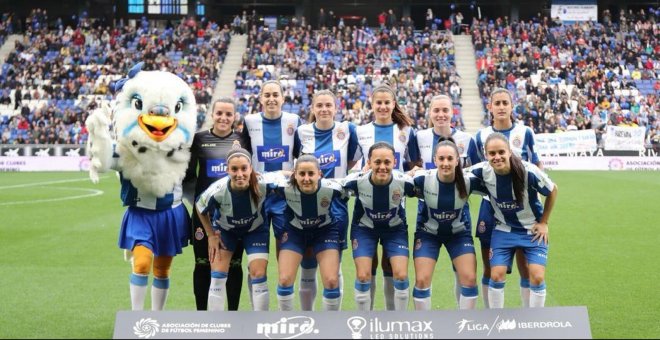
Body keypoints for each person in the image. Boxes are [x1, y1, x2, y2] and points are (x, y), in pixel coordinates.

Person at [469, 132, 558, 308]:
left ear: (509, 152)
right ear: (486, 155)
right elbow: (455, 174)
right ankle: (496, 320)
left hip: (532, 230)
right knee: (496, 274)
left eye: (501, 152)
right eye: (492, 154)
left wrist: (544, 223)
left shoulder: (528, 171)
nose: (497, 157)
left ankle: (533, 321)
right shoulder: (482, 171)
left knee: (537, 276)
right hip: (503, 229)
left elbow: (553, 190)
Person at [292, 90, 361, 310]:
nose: (324, 109)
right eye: (319, 105)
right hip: (306, 206)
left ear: (335, 107)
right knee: (308, 263)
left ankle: (332, 321)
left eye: (328, 105)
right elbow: (296, 165)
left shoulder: (347, 130)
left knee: (334, 266)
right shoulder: (302, 132)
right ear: (312, 108)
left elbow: (351, 162)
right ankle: (307, 318)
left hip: (337, 206)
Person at [474, 88, 542, 308]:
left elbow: (537, 165)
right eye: (497, 103)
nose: (501, 107)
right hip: (490, 208)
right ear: (490, 107)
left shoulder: (526, 132)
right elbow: (475, 171)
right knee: (491, 268)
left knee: (525, 264)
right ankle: (490, 317)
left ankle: (526, 318)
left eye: (505, 103)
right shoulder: (481, 136)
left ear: (512, 106)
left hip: (522, 210)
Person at [356, 84, 419, 310]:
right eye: (378, 102)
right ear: (372, 105)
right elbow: (353, 166)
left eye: (387, 102)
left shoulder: (406, 131)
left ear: (393, 104)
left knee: (392, 267)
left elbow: (415, 163)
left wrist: (413, 172)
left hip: (395, 209)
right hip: (365, 209)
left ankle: (393, 321)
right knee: (367, 268)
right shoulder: (360, 131)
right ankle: (367, 320)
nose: (383, 106)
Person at [412, 95, 480, 306]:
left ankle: (464, 326)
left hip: (459, 222)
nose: (441, 115)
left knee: (466, 276)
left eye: (445, 110)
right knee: (422, 279)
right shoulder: (419, 137)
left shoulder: (467, 140)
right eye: (436, 110)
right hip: (428, 221)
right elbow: (412, 170)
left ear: (452, 112)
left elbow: (478, 173)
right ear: (430, 113)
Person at [195, 148, 283, 311]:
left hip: (255, 231)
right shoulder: (218, 189)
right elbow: (200, 206)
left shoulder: (263, 181)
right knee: (218, 276)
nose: (239, 174)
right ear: (227, 169)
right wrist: (210, 235)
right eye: (234, 169)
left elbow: (286, 174)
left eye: (244, 168)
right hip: (225, 232)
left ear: (251, 168)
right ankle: (217, 326)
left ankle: (259, 322)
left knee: (258, 274)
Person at [183, 98, 245, 311]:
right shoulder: (199, 139)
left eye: (229, 114)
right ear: (212, 114)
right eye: (219, 113)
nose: (223, 118)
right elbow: (188, 176)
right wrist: (198, 203)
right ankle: (202, 315)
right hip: (204, 215)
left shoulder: (241, 140)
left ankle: (233, 314)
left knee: (234, 264)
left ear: (234, 117)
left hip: (235, 214)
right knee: (203, 263)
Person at [343, 142, 417, 311]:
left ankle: (396, 322)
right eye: (377, 162)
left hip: (395, 230)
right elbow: (331, 187)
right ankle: (364, 322)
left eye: (387, 162)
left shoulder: (405, 182)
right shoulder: (355, 182)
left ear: (394, 163)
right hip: (364, 230)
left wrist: (418, 170)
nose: (382, 167)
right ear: (368, 162)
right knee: (363, 276)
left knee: (401, 275)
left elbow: (423, 187)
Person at [273, 155, 345, 311]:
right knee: (284, 280)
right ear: (295, 174)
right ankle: (287, 325)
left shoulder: (334, 188)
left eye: (311, 174)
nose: (306, 178)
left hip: (325, 232)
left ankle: (330, 326)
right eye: (302, 174)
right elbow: (261, 178)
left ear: (319, 174)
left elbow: (355, 183)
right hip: (295, 232)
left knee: (332, 281)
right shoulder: (282, 187)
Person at [240, 80, 301, 259]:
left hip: (285, 196)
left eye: (276, 95)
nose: (271, 99)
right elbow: (244, 156)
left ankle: (284, 287)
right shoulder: (250, 121)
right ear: (260, 98)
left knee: (285, 251)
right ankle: (258, 287)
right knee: (257, 256)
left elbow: (302, 156)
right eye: (267, 95)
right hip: (258, 194)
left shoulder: (294, 121)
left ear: (283, 98)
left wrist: (294, 173)